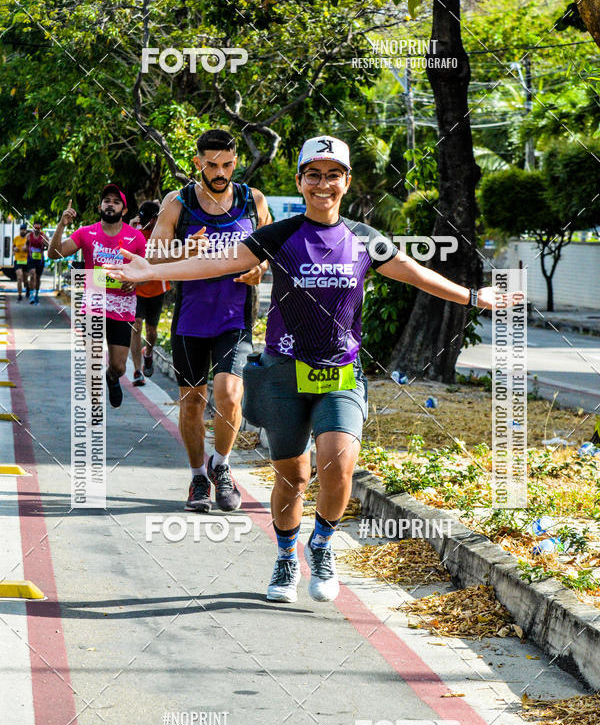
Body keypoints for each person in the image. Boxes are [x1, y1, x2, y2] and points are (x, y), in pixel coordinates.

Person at [106, 134, 515, 605]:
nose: (324, 184)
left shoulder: (364, 239)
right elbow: (217, 261)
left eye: (333, 175)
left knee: (338, 464)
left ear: (347, 181)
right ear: (300, 182)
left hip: (342, 373)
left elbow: (415, 273)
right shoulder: (280, 235)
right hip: (283, 374)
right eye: (314, 175)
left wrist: (472, 296)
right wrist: (150, 271)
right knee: (294, 479)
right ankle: (286, 555)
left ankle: (320, 544)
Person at [145, 129, 271, 513]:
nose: (220, 172)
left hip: (235, 319)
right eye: (212, 165)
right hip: (190, 320)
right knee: (192, 403)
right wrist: (183, 249)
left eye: (227, 165)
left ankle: (223, 465)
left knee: (229, 395)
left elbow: (269, 250)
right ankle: (198, 476)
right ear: (197, 162)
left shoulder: (253, 201)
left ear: (236, 162)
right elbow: (152, 255)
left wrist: (261, 269)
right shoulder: (177, 202)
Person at [48, 185, 146, 407]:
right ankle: (95, 408)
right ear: (100, 206)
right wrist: (61, 225)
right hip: (93, 304)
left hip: (122, 306)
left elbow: (147, 271)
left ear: (124, 210)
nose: (110, 205)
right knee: (92, 361)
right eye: (106, 201)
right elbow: (54, 253)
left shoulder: (136, 238)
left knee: (119, 367)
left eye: (116, 202)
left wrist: (135, 280)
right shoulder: (86, 233)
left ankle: (111, 377)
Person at [130, 200, 169, 386]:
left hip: (156, 287)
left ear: (155, 219)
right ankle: (137, 371)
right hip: (136, 287)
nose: (146, 224)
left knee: (151, 331)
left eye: (150, 221)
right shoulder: (135, 230)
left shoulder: (163, 231)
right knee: (136, 326)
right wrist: (130, 228)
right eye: (142, 220)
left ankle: (149, 353)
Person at [26, 222, 49, 305]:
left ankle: (36, 295)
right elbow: (26, 246)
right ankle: (31, 295)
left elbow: (49, 246)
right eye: (35, 228)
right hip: (31, 259)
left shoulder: (44, 236)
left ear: (40, 229)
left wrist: (45, 243)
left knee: (38, 278)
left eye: (38, 228)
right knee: (32, 275)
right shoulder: (29, 236)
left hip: (40, 260)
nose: (37, 230)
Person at [12, 226, 29, 301]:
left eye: (24, 230)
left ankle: (28, 288)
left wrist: (26, 249)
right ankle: (19, 295)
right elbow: (13, 248)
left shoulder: (28, 239)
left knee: (25, 280)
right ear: (20, 230)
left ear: (26, 230)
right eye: (21, 229)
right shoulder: (16, 238)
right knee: (19, 277)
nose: (23, 231)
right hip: (18, 260)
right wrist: (14, 249)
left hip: (26, 261)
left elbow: (31, 249)